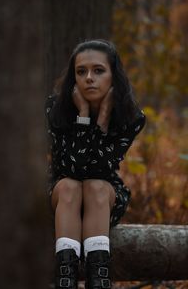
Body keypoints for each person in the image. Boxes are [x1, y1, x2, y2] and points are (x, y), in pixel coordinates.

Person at [45, 39, 146, 289]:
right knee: (71, 186)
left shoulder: (131, 117)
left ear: (113, 75)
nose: (89, 78)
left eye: (98, 71)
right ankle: (65, 281)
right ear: (74, 77)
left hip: (103, 194)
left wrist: (102, 120)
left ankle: (98, 281)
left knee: (96, 186)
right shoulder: (55, 108)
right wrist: (82, 116)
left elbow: (99, 169)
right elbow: (72, 169)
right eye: (81, 71)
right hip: (62, 193)